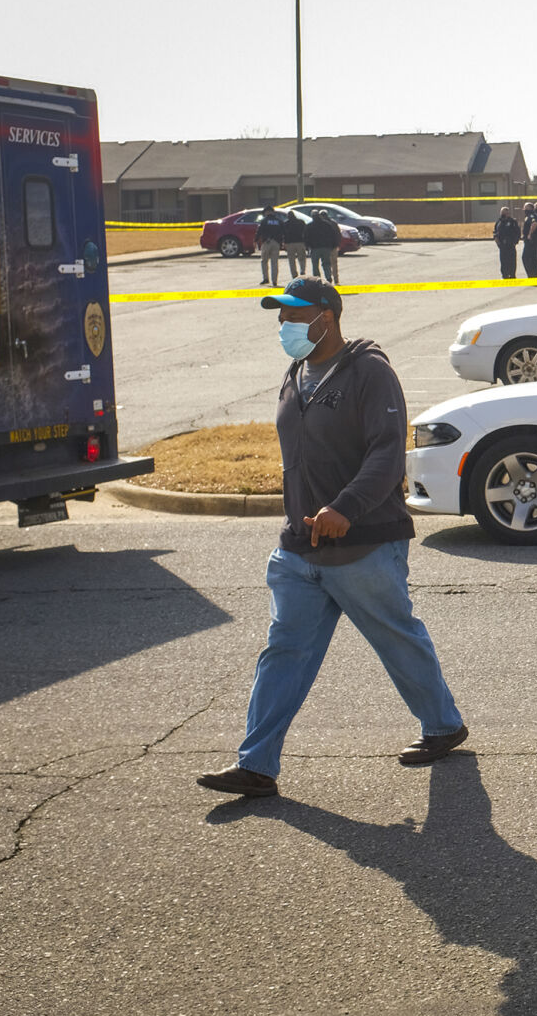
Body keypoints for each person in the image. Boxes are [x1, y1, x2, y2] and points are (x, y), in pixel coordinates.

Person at [196, 277, 468, 799]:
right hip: (300, 549)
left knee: (396, 639)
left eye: (295, 314)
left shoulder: (370, 372)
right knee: (284, 651)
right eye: (280, 315)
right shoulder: (296, 373)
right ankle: (256, 764)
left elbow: (387, 453)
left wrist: (345, 506)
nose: (285, 324)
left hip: (363, 542)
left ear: (327, 315)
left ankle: (443, 725)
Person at [254, 204, 289, 287]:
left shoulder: (264, 221)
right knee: (274, 262)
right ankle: (274, 280)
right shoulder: (279, 221)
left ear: (267, 212)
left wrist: (255, 240)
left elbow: (259, 231)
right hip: (276, 243)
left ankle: (266, 278)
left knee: (264, 261)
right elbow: (285, 232)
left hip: (266, 243)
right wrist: (284, 242)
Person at [304, 209, 341, 284]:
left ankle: (317, 279)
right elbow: (333, 235)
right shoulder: (327, 224)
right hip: (326, 248)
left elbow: (306, 237)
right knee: (326, 264)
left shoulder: (309, 226)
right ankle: (328, 278)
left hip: (315, 248)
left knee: (315, 265)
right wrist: (333, 245)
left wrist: (307, 247)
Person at [493, 206, 521, 279]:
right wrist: (498, 243)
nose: (503, 214)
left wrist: (515, 242)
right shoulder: (498, 222)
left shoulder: (512, 222)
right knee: (503, 261)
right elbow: (495, 233)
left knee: (512, 261)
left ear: (508, 213)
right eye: (502, 212)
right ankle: (505, 275)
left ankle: (512, 274)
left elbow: (517, 232)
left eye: (505, 212)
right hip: (502, 245)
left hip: (511, 244)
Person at [281, 207, 309, 279]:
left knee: (291, 260)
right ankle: (302, 270)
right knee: (302, 258)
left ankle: (294, 274)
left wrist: (284, 243)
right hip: (300, 242)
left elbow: (283, 234)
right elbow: (306, 233)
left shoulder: (286, 223)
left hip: (290, 243)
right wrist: (306, 242)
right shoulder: (301, 222)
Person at [520, 202, 537, 279]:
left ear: (529, 208)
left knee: (526, 258)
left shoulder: (532, 216)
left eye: (525, 208)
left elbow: (534, 223)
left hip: (531, 241)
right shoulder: (528, 216)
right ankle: (533, 276)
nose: (524, 209)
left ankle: (532, 276)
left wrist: (530, 234)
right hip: (529, 241)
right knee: (531, 259)